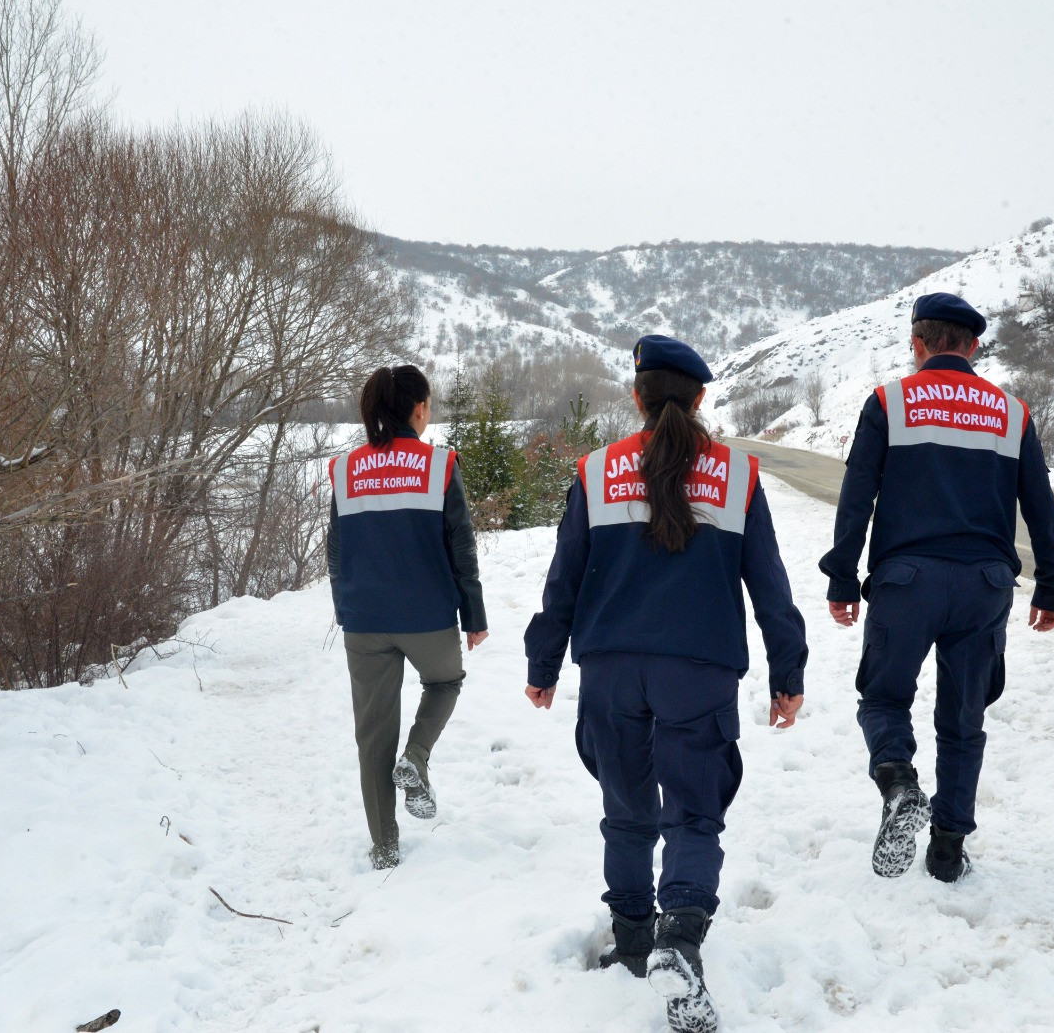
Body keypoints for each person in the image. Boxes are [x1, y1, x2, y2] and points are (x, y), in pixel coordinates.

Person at [524, 335, 808, 1033]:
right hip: (699, 670)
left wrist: (544, 663)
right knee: (693, 811)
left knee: (627, 810)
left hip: (613, 669)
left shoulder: (596, 471)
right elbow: (769, 586)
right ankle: (678, 940)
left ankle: (631, 944)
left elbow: (563, 580)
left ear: (637, 396)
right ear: (702, 398)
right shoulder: (737, 476)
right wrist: (787, 673)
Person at [820, 293, 1054, 884]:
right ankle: (947, 850)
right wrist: (1052, 585)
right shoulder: (1012, 414)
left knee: (884, 699)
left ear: (918, 343)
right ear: (973, 345)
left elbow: (857, 496)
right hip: (984, 584)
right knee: (963, 719)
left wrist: (842, 577)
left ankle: (899, 783)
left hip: (906, 582)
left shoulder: (889, 402)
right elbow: (1041, 506)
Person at [327, 365, 488, 870]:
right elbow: (460, 545)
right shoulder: (438, 466)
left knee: (373, 734)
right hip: (428, 617)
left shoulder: (346, 469)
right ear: (418, 408)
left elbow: (336, 550)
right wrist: (474, 615)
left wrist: (345, 608)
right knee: (445, 683)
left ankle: (384, 847)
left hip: (365, 621)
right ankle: (416, 758)